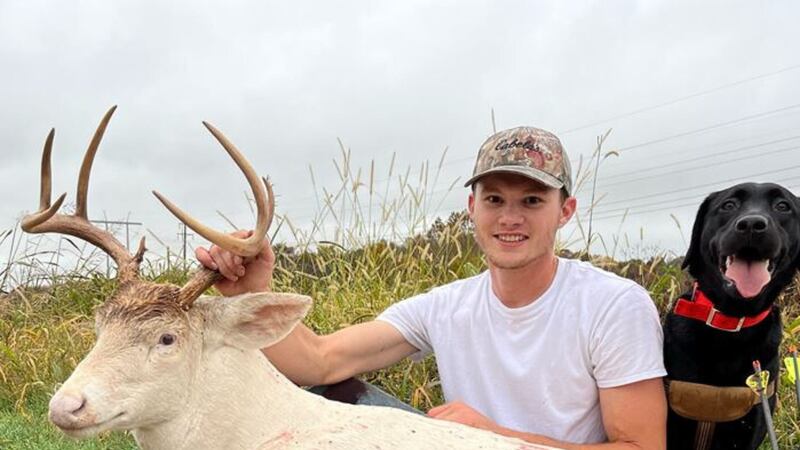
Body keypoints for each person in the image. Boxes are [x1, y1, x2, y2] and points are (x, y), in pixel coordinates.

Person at [197, 126, 667, 449]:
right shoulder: (448, 305)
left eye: (532, 200)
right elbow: (319, 362)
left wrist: (494, 438)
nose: (509, 217)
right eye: (495, 199)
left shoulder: (613, 304)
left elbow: (642, 446)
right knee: (333, 394)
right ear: (472, 207)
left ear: (565, 211)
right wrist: (250, 290)